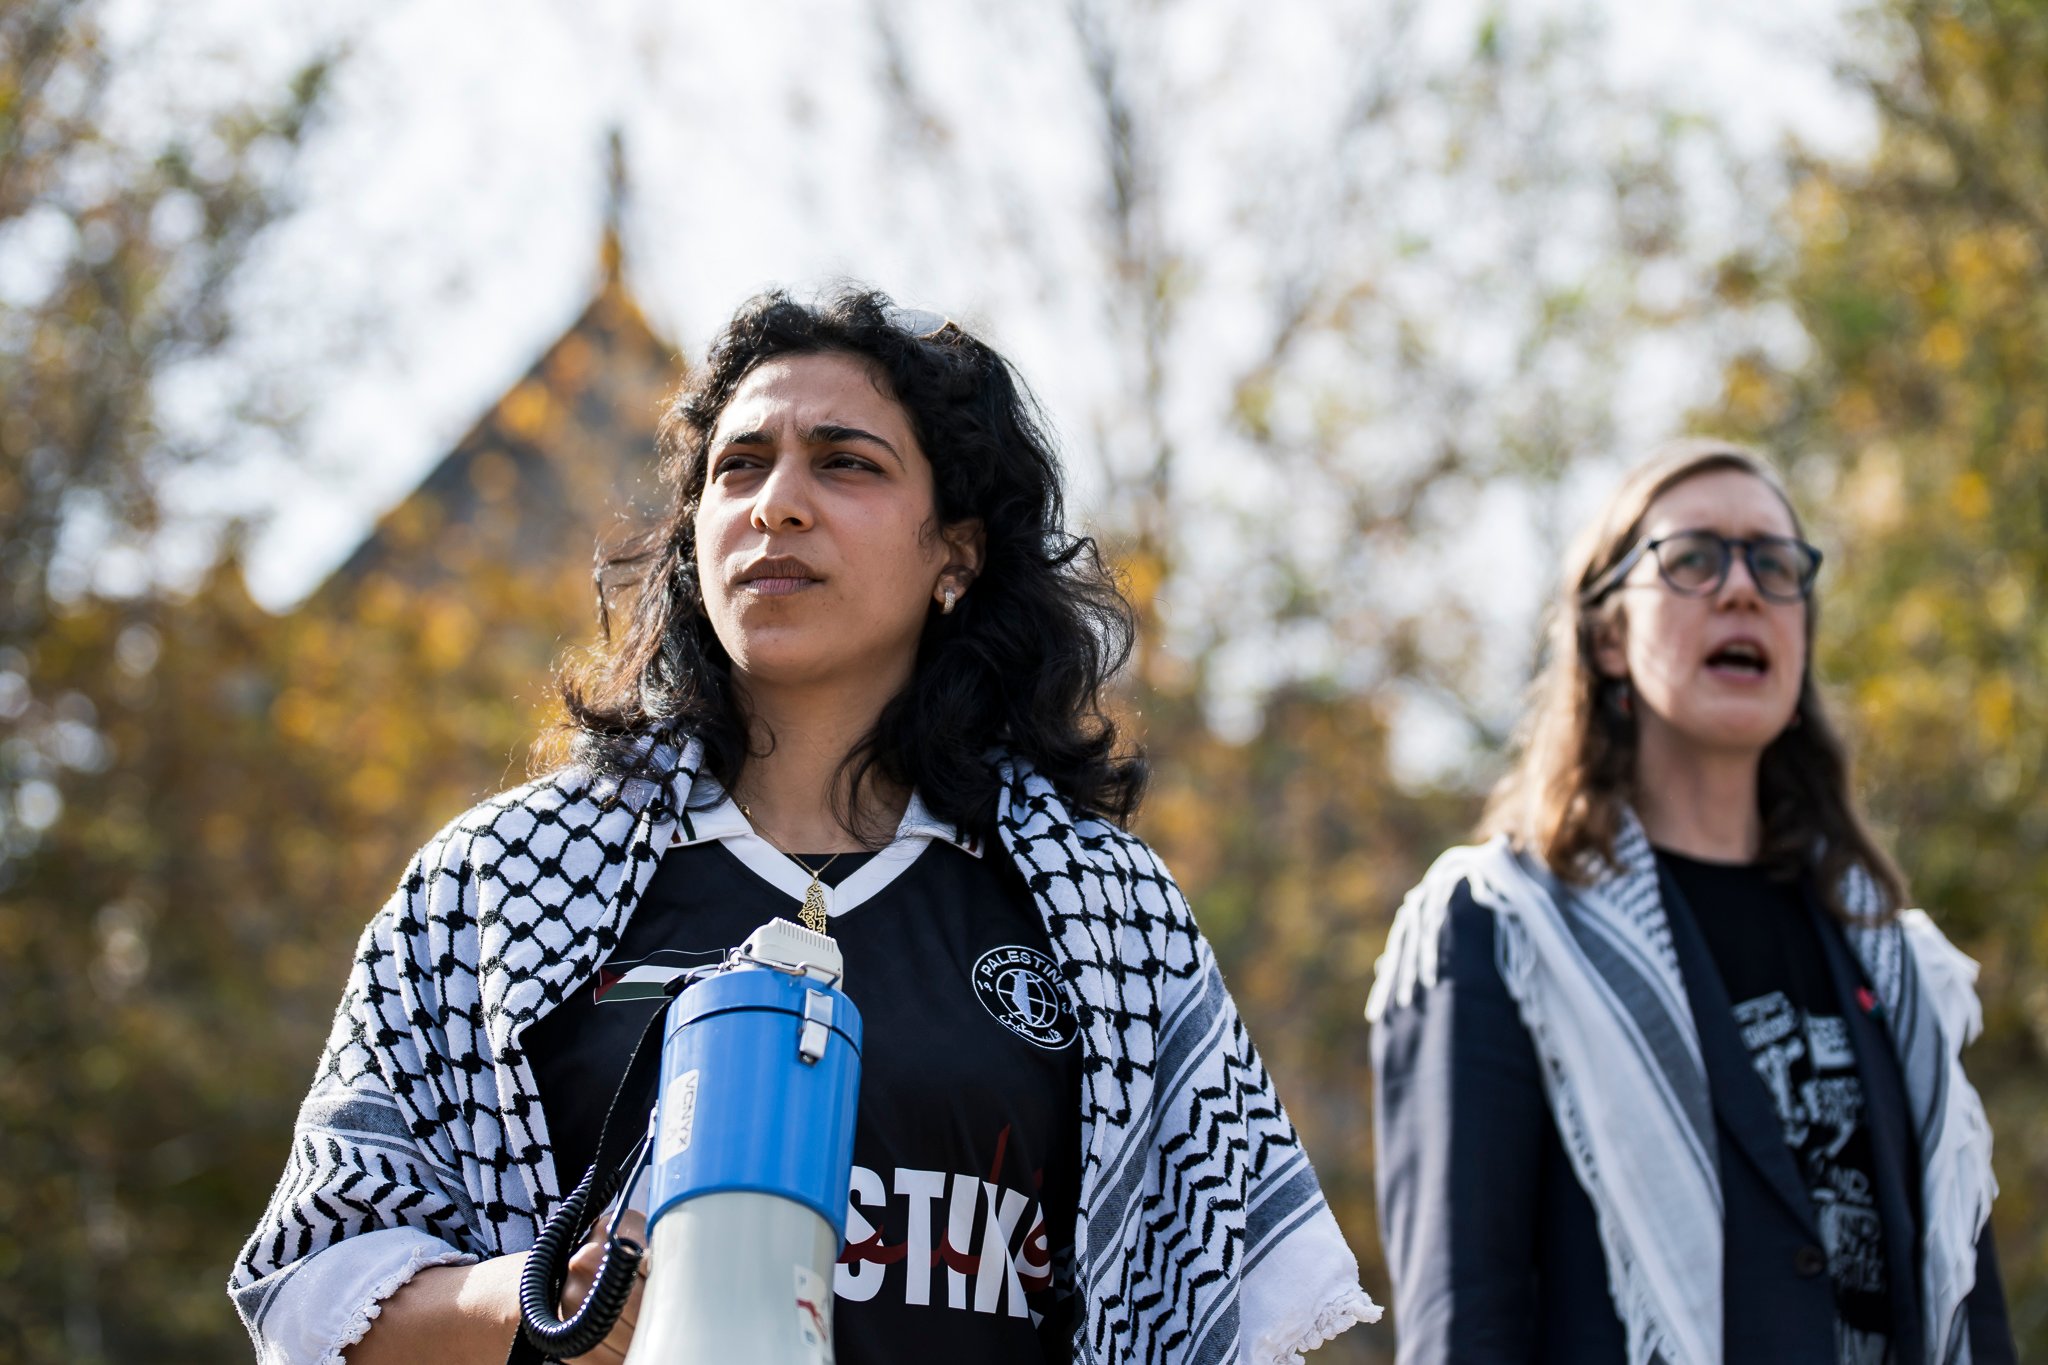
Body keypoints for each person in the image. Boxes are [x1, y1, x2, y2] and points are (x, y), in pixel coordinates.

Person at [231, 288, 1376, 1365]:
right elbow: (309, 1287)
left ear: (956, 552)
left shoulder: (1103, 912)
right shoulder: (493, 885)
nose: (774, 503)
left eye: (845, 463)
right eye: (738, 467)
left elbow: (1218, 1314)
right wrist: (537, 1305)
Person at [1366, 439, 2015, 1365]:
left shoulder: (1896, 959)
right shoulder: (1501, 931)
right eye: (1695, 558)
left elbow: (1972, 1319)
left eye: (1775, 564)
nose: (1743, 588)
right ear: (1607, 637)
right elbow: (1466, 1324)